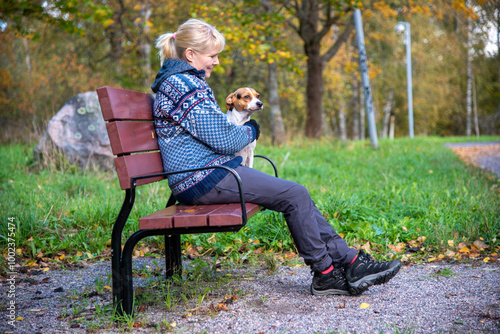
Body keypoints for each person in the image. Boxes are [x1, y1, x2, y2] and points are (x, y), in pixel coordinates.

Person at [151, 18, 401, 296]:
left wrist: (239, 134)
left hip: (209, 173)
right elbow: (224, 138)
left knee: (296, 194)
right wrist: (252, 129)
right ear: (190, 55)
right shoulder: (183, 85)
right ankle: (327, 273)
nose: (217, 62)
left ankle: (349, 261)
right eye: (212, 56)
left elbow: (217, 135)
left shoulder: (183, 82)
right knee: (295, 195)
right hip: (202, 178)